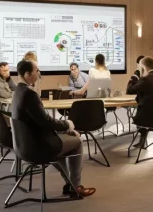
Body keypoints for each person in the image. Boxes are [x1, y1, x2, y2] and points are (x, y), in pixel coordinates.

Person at [10, 59, 96, 197]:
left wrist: (63, 129)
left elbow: (40, 122)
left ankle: (71, 185)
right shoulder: (30, 95)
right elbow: (46, 121)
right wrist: (68, 124)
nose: (39, 74)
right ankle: (76, 186)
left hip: (24, 145)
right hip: (38, 147)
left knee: (61, 148)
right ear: (27, 75)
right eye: (37, 71)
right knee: (78, 142)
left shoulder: (18, 92)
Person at [126, 56, 153, 148]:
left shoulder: (145, 79)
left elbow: (129, 91)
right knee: (147, 108)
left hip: (145, 119)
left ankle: (142, 141)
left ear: (143, 67)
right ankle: (148, 142)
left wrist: (134, 77)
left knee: (143, 110)